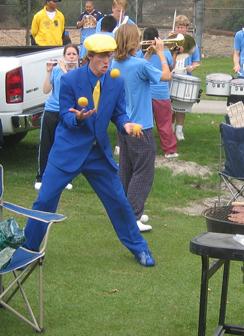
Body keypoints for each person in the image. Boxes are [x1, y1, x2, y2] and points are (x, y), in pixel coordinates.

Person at [22, 33, 156, 267]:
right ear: (89, 57)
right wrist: (80, 118)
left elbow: (119, 113)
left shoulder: (115, 81)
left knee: (119, 202)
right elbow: (64, 116)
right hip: (67, 150)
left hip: (97, 153)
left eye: (110, 56)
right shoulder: (71, 80)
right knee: (44, 200)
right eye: (103, 56)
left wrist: (125, 124)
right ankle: (28, 249)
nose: (108, 61)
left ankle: (140, 249)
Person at [112, 24, 171, 232]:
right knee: (144, 171)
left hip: (124, 125)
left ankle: (125, 213)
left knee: (126, 169)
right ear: (132, 41)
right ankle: (133, 217)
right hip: (142, 127)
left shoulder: (114, 63)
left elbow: (137, 75)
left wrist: (146, 55)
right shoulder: (139, 65)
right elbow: (166, 76)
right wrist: (161, 54)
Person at [35, 43, 81, 190]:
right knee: (46, 145)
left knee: (66, 147)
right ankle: (41, 177)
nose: (71, 57)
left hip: (67, 113)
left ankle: (66, 179)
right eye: (69, 54)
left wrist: (63, 69)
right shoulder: (55, 71)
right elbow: (45, 90)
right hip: (51, 111)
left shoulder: (80, 73)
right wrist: (48, 72)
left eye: (74, 54)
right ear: (64, 56)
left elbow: (75, 87)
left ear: (78, 57)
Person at [141, 27, 178, 159]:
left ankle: (142, 148)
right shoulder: (166, 53)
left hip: (145, 94)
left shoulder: (141, 53)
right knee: (165, 123)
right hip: (161, 93)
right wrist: (174, 54)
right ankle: (170, 150)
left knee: (143, 122)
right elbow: (170, 67)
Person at [171, 14, 200, 141]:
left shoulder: (192, 44)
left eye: (182, 27)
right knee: (170, 106)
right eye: (178, 27)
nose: (180, 30)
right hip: (171, 76)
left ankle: (179, 130)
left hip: (184, 77)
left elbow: (196, 62)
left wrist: (192, 68)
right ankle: (170, 129)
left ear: (187, 29)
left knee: (181, 106)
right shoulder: (169, 40)